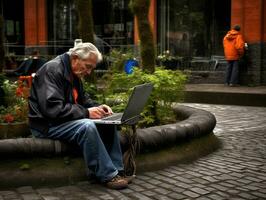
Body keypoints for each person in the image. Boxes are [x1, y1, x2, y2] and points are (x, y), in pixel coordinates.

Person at [28, 43, 130, 190]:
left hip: (63, 121)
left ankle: (118, 170)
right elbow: (53, 109)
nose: (88, 72)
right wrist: (87, 113)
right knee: (87, 126)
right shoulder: (52, 70)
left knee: (107, 123)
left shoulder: (73, 72)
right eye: (87, 66)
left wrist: (98, 108)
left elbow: (84, 100)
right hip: (47, 125)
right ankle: (107, 175)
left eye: (91, 68)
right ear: (75, 58)